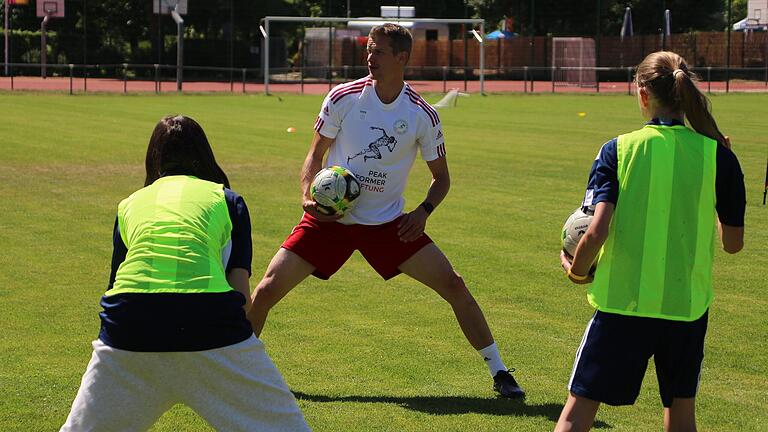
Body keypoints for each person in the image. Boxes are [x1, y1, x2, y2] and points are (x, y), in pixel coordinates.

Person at [247, 23, 525, 398]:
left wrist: (423, 211)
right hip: (331, 219)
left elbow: (441, 178)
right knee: (265, 291)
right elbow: (315, 154)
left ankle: (500, 372)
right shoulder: (344, 97)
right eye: (369, 49)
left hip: (389, 225)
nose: (369, 57)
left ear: (401, 58)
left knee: (454, 285)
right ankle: (237, 372)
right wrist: (306, 196)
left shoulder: (421, 115)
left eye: (378, 51)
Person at [61, 115, 310, 431]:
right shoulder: (228, 200)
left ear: (154, 159)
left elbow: (115, 286)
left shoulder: (129, 204)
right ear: (204, 156)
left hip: (129, 328)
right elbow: (241, 297)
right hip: (213, 327)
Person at [555, 51, 745, 432]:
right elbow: (733, 244)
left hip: (622, 304)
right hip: (686, 308)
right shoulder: (718, 156)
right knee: (681, 416)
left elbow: (595, 230)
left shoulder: (618, 149)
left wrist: (576, 271)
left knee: (578, 411)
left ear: (642, 93)